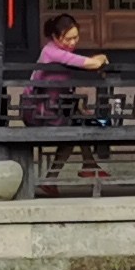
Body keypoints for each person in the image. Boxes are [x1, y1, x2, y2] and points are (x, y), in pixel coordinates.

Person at [27, 12, 107, 188]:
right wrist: (100, 58)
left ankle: (87, 165)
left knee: (79, 123)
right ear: (55, 37)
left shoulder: (61, 52)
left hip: (55, 107)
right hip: (38, 110)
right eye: (67, 39)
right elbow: (91, 63)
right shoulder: (51, 52)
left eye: (76, 38)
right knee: (72, 133)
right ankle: (54, 178)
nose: (73, 43)